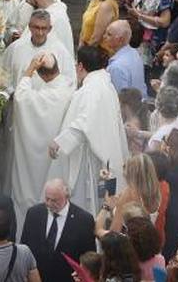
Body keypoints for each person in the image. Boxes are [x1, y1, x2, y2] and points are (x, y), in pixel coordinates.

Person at [46, 45, 128, 212]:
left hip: (91, 156)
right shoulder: (106, 85)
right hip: (105, 153)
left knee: (88, 204)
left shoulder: (91, 89)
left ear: (81, 66)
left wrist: (59, 142)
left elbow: (85, 122)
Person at [9, 53, 75, 235]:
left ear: (41, 75)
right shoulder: (69, 87)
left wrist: (29, 70)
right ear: (58, 69)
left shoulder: (39, 96)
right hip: (57, 156)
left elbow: (21, 97)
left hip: (34, 160)